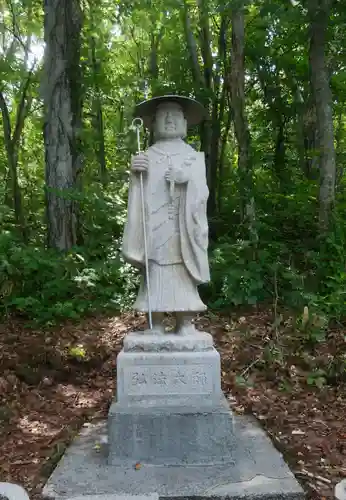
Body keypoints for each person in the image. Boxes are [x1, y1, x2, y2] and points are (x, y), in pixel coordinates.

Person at [122, 95, 210, 335]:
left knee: (183, 271)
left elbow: (202, 192)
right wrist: (135, 175)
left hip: (183, 230)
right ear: (152, 123)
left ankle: (186, 322)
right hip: (156, 228)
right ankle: (156, 322)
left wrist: (186, 180)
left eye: (175, 115)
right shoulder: (147, 156)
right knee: (156, 271)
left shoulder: (193, 158)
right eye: (163, 115)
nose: (169, 119)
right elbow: (139, 195)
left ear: (184, 122)